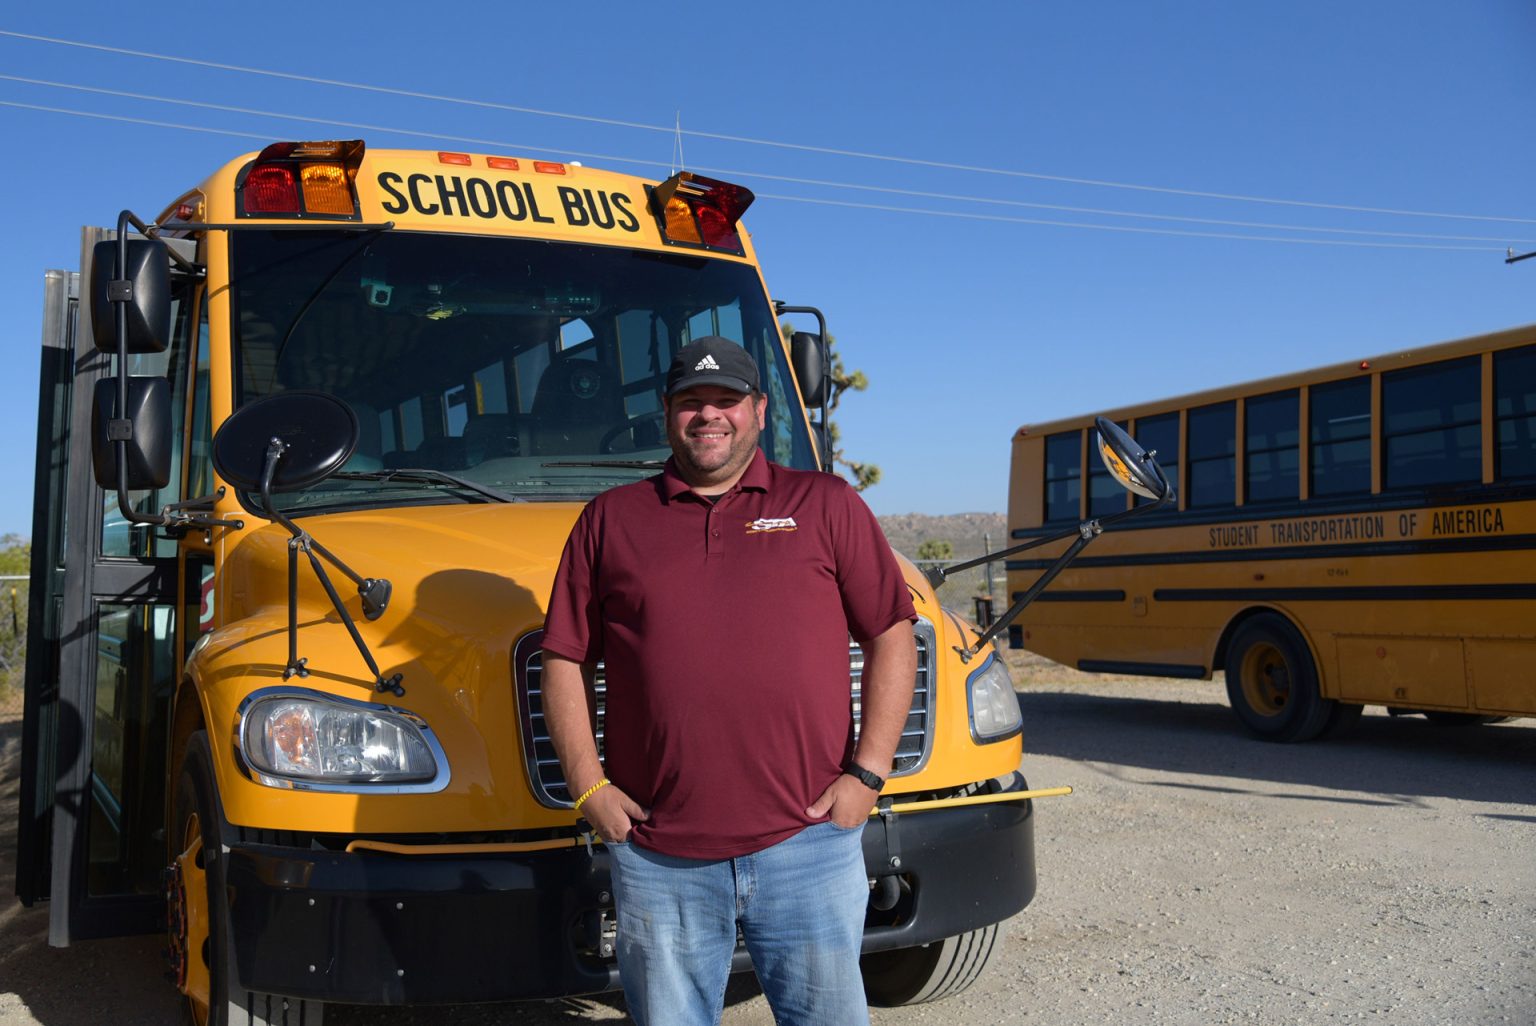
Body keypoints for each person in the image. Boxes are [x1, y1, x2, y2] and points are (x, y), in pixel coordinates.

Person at [541, 335, 917, 1026]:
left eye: (726, 400)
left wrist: (867, 775)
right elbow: (564, 657)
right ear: (666, 413)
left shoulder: (826, 504)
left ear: (760, 410)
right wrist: (589, 789)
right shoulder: (610, 521)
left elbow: (892, 632)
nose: (708, 415)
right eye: (691, 401)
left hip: (807, 845)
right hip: (659, 857)